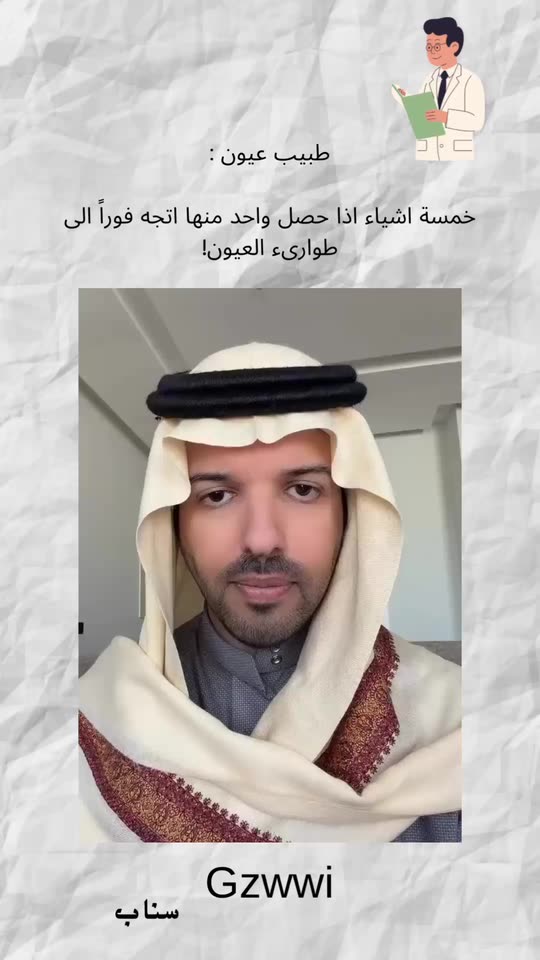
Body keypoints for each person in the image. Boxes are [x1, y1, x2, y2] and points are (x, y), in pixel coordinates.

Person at [79, 342, 461, 843]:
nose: (261, 539)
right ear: (173, 527)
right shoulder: (93, 723)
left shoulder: (455, 719)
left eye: (303, 490)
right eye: (217, 495)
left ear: (349, 516)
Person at [393, 16, 485, 161]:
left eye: (436, 47)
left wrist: (445, 117)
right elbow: (423, 117)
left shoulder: (470, 81)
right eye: (429, 47)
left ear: (454, 47)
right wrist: (408, 102)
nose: (432, 52)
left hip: (456, 157)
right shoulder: (429, 80)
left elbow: (477, 122)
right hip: (430, 155)